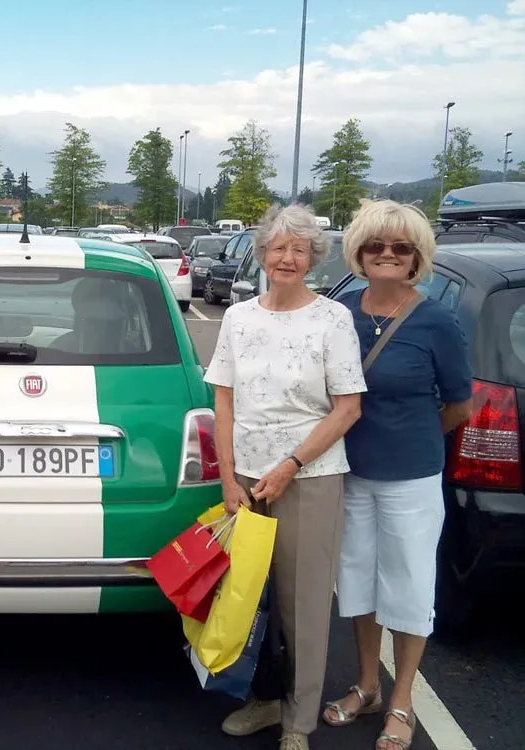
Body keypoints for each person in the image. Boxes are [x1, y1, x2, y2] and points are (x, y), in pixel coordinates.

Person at [204, 203, 366, 750]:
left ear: (313, 257)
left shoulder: (332, 319)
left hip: (311, 475)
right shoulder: (238, 317)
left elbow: (347, 408)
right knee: (250, 597)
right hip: (246, 476)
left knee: (303, 602)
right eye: (278, 248)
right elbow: (222, 404)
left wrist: (291, 465)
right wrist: (229, 480)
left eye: (299, 249)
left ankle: (298, 721)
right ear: (262, 255)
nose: (288, 258)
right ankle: (264, 700)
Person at [323, 199, 472, 750]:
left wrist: (414, 439)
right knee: (358, 582)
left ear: (416, 258)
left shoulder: (436, 320)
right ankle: (367, 685)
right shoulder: (340, 313)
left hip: (411, 478)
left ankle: (402, 698)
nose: (388, 254)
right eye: (376, 245)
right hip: (350, 473)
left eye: (401, 247)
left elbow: (460, 403)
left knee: (408, 587)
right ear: (359, 252)